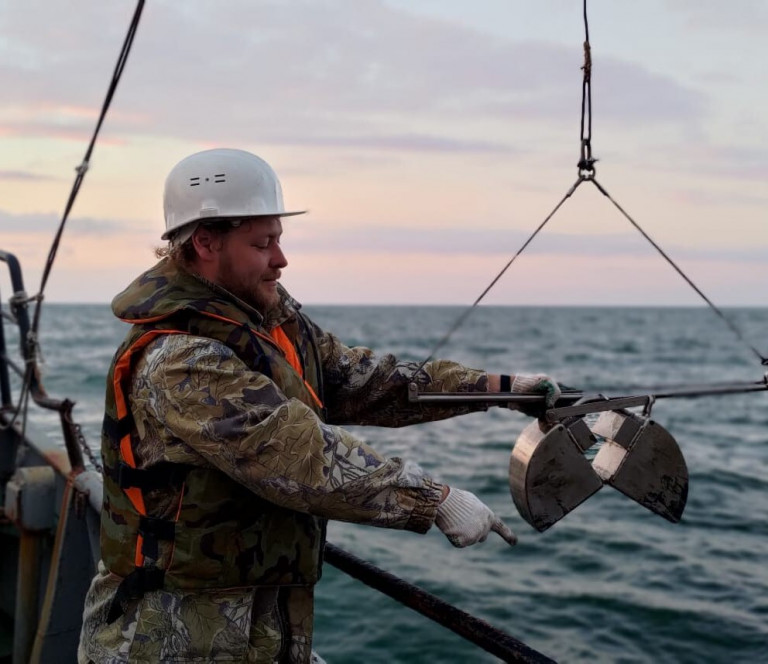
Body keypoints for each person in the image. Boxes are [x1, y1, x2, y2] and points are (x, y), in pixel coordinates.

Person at [78, 148, 563, 663]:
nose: (281, 259)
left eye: (279, 240)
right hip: (169, 635)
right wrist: (432, 498)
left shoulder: (273, 324)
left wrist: (501, 389)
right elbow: (297, 453)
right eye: (263, 243)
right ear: (205, 241)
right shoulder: (181, 360)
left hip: (258, 628)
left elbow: (371, 381)